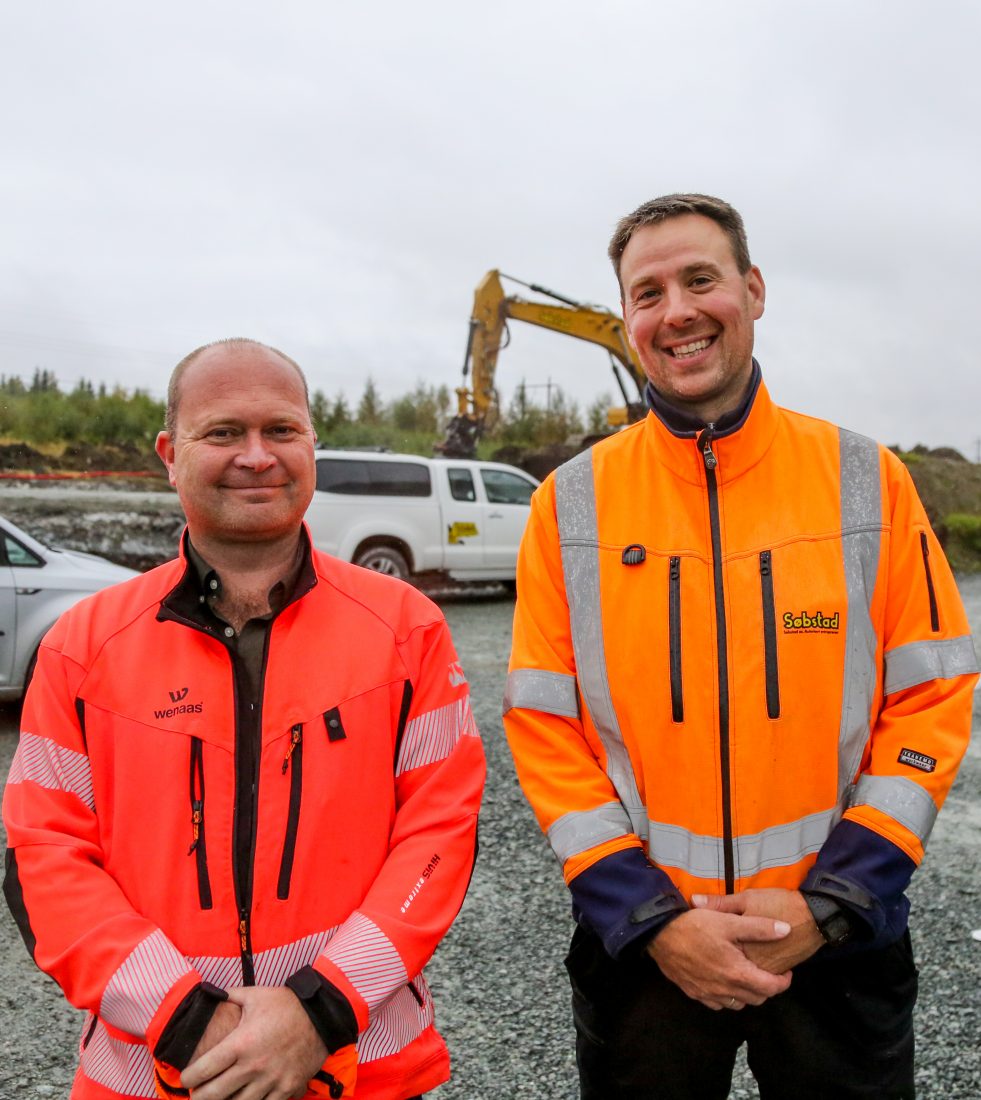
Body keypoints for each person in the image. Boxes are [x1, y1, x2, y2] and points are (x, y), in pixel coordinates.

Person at [502, 194, 978, 1099]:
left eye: (698, 279)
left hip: (836, 940)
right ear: (628, 321)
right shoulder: (568, 506)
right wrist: (649, 918)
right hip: (647, 950)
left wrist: (829, 903)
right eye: (647, 293)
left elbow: (930, 699)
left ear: (752, 291)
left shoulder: (866, 481)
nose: (675, 310)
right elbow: (542, 721)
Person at [3, 338, 486, 1100]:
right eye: (223, 432)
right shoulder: (84, 647)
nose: (257, 456)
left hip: (363, 1067)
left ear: (312, 445)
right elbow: (44, 856)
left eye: (282, 430)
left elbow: (440, 837)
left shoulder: (405, 628)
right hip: (155, 1073)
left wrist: (319, 1012)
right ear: (170, 452)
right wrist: (192, 1023)